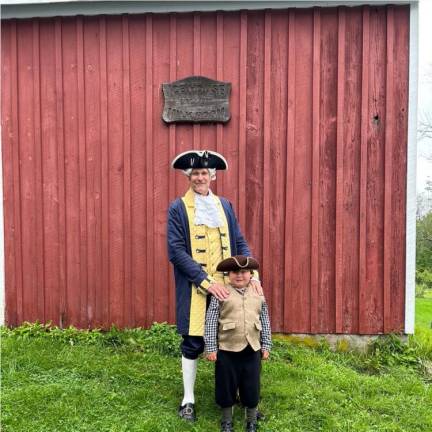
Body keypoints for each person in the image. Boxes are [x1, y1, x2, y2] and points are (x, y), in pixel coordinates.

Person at [167, 150, 262, 421]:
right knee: (194, 341)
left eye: (205, 173)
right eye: (195, 173)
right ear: (188, 176)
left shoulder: (225, 206)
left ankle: (244, 396)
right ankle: (188, 400)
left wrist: (252, 275)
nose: (200, 178)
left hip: (229, 286)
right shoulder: (178, 208)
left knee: (237, 337)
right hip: (196, 287)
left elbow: (239, 243)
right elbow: (175, 251)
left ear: (212, 176)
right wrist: (206, 282)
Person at [204, 255, 271, 432]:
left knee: (251, 385)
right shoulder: (221, 294)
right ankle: (227, 421)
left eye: (244, 272)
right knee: (226, 385)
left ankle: (251, 420)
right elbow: (211, 321)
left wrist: (266, 345)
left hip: (252, 350)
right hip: (227, 350)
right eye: (234, 272)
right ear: (228, 274)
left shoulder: (258, 293)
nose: (239, 276)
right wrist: (211, 347)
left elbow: (264, 320)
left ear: (251, 274)